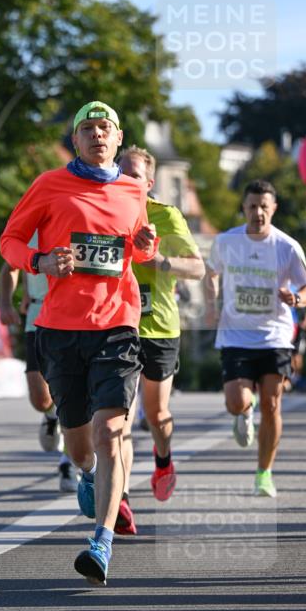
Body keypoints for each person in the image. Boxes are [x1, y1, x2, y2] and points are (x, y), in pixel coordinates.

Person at [0, 100, 158, 585]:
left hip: (116, 325)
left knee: (112, 431)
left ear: (116, 137)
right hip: (60, 329)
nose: (96, 134)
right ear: (76, 139)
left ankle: (101, 542)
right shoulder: (49, 185)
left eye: (104, 127)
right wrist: (40, 262)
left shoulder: (134, 190)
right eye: (87, 127)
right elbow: (10, 240)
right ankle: (86, 475)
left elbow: (138, 247)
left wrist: (147, 245)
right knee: (79, 445)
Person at [205, 179, 306, 498]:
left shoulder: (287, 247)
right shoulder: (226, 242)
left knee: (272, 402)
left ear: (274, 209)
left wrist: (297, 298)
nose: (258, 213)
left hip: (275, 335)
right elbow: (210, 271)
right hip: (235, 334)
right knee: (236, 401)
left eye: (264, 207)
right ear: (243, 208)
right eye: (252, 206)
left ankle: (264, 473)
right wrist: (211, 294)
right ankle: (244, 411)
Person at [116, 146, 204, 534]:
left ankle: (164, 456)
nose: (126, 179)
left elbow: (198, 268)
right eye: (121, 172)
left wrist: (160, 262)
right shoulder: (105, 210)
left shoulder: (166, 216)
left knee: (156, 415)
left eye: (134, 174)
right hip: (119, 324)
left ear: (149, 183)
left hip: (161, 328)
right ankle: (119, 499)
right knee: (120, 418)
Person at [0, 255, 79, 493]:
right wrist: (6, 302)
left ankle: (68, 464)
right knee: (40, 398)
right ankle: (51, 415)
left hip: (71, 316)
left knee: (71, 395)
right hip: (37, 314)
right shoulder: (31, 222)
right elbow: (10, 266)